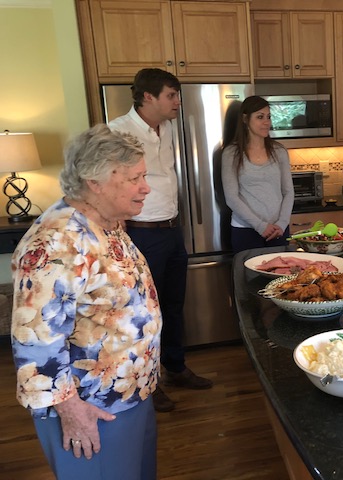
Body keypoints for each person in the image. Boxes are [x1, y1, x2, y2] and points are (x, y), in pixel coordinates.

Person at [11, 125, 159, 478]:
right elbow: (36, 341)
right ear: (95, 182)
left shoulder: (106, 222)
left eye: (144, 176)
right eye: (134, 178)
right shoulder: (57, 242)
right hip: (91, 408)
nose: (146, 187)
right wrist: (71, 411)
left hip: (128, 393)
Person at [109, 68, 212, 413]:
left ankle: (176, 367)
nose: (177, 102)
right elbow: (108, 180)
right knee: (143, 312)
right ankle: (147, 383)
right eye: (171, 95)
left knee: (172, 305)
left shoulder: (166, 128)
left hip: (171, 229)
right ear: (148, 97)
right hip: (140, 232)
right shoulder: (118, 131)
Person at [221, 95, 294, 253]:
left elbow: (288, 191)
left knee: (280, 270)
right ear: (245, 119)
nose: (266, 122)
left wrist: (282, 224)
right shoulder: (231, 154)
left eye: (268, 117)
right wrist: (260, 226)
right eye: (260, 117)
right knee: (250, 270)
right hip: (245, 231)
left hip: (278, 230)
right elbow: (231, 197)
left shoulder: (279, 151)